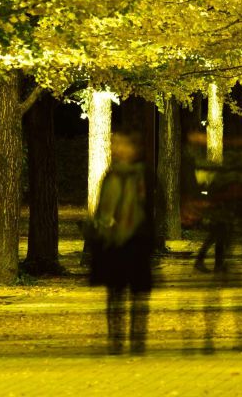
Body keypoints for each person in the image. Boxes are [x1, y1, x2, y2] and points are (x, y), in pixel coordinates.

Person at [91, 130, 153, 354]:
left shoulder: (144, 175)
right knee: (115, 294)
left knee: (138, 295)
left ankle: (137, 339)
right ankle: (116, 339)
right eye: (113, 144)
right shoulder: (111, 175)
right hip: (114, 243)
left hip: (137, 241)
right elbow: (102, 208)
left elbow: (155, 206)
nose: (116, 148)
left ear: (133, 148)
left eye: (120, 144)